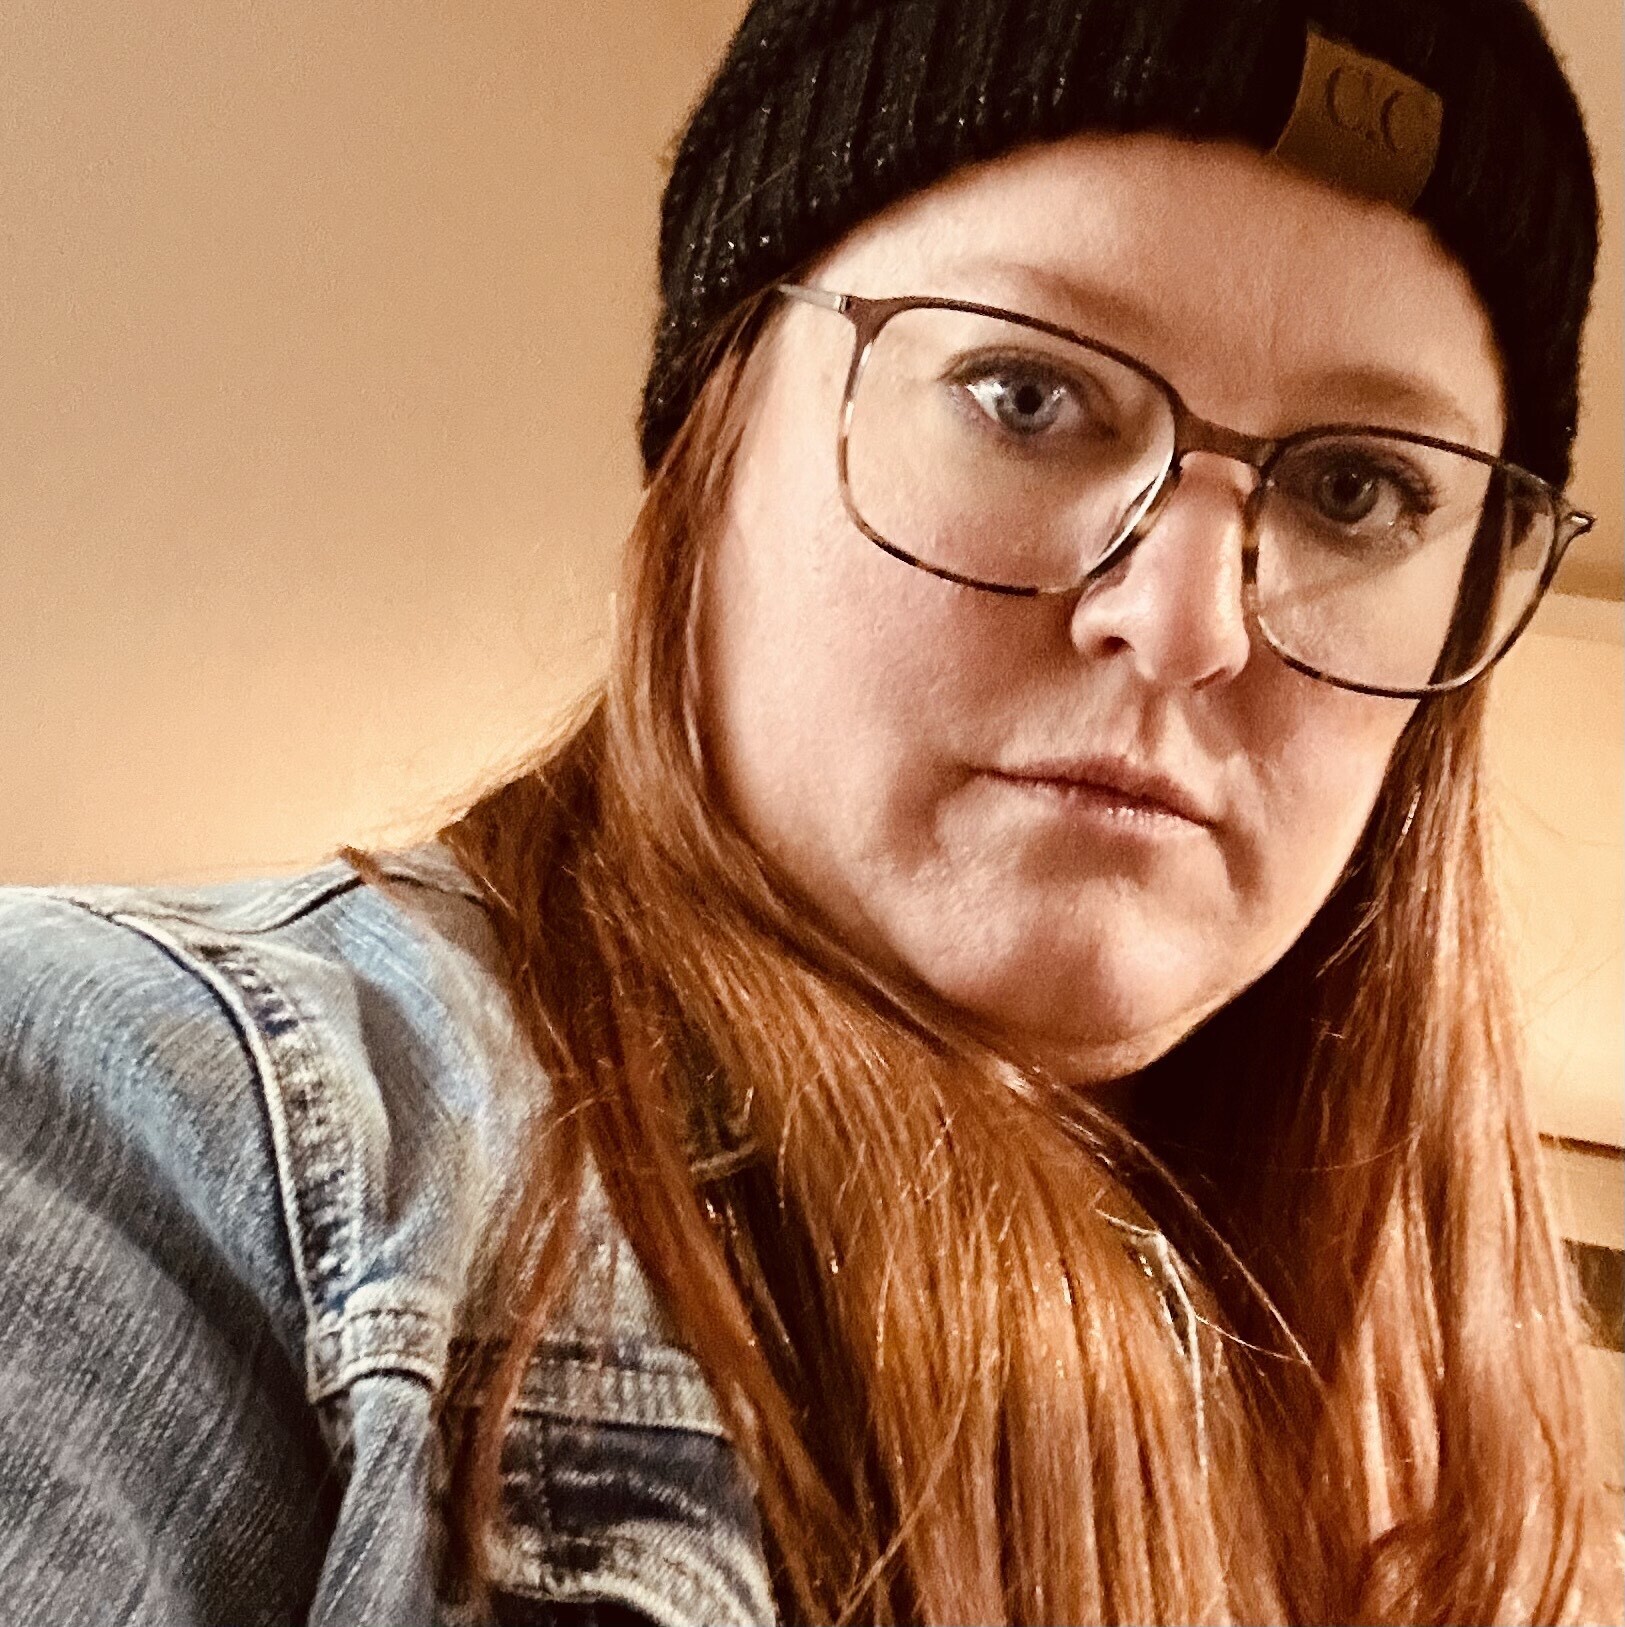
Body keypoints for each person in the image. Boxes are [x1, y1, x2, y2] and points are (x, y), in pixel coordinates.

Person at [0, 0, 1611, 1621]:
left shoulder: (1417, 1461)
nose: (1186, 623)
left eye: (1354, 490)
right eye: (1024, 393)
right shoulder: (157, 1129)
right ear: (710, 440)